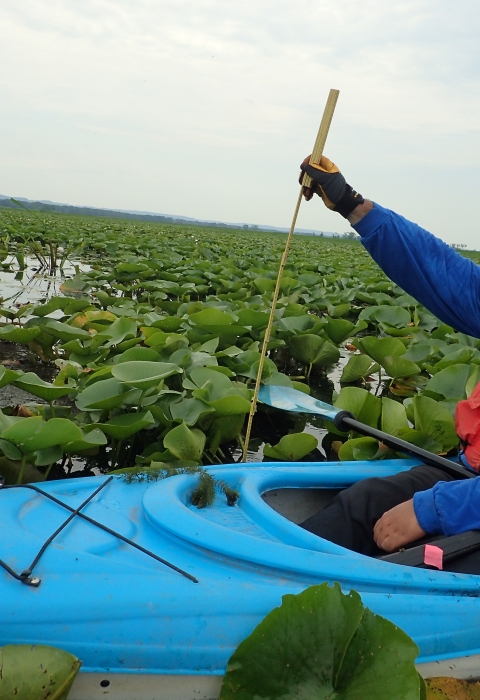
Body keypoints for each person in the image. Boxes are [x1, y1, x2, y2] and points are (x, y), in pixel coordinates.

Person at [297, 155, 480, 573]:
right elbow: (443, 273)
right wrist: (351, 203)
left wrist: (433, 510)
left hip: (467, 500)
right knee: (360, 506)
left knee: (420, 566)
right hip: (469, 475)